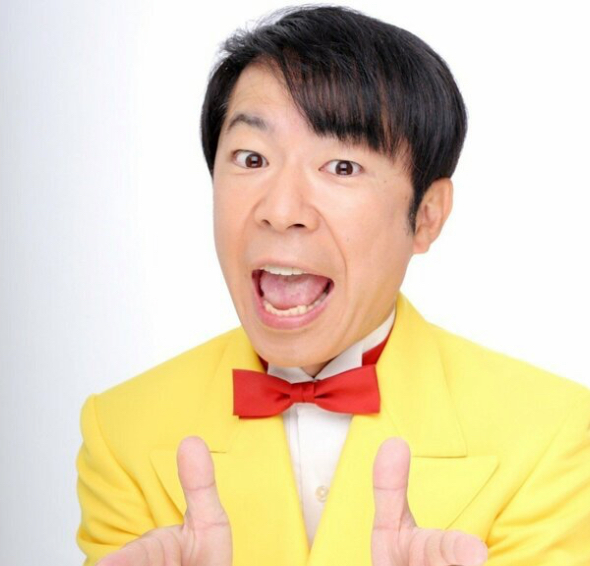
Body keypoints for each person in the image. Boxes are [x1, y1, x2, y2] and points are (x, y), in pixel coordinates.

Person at [76, 5, 590, 566]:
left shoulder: (552, 434)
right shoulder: (122, 431)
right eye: (251, 158)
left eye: (342, 167)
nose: (281, 210)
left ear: (426, 216)